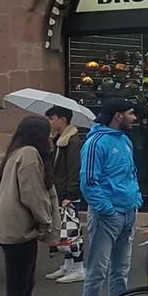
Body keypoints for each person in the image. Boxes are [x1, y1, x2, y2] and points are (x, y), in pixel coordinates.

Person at [0, 117, 62, 296]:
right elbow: (33, 194)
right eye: (49, 133)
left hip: (18, 229)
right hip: (18, 230)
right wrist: (46, 222)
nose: (51, 137)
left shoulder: (19, 152)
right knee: (17, 289)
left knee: (25, 286)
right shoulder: (30, 154)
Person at [77, 98, 147, 296]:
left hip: (126, 211)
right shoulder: (96, 142)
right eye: (130, 113)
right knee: (98, 271)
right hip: (109, 215)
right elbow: (89, 181)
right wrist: (106, 208)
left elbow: (131, 173)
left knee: (120, 270)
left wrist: (136, 199)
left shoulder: (124, 140)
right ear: (118, 115)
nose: (134, 118)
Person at [45, 107, 87, 283]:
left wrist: (71, 193)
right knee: (63, 230)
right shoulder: (58, 140)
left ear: (63, 119)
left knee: (72, 229)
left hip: (67, 193)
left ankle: (79, 267)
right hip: (59, 191)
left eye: (52, 118)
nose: (50, 122)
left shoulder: (72, 141)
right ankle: (68, 265)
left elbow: (74, 169)